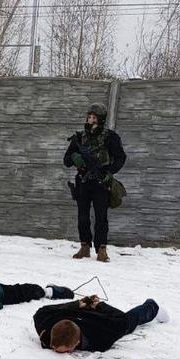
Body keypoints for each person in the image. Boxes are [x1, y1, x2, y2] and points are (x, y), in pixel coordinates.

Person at [64, 103, 126, 262]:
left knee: (101, 216)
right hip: (83, 182)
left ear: (101, 119)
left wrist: (109, 172)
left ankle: (101, 249)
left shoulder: (110, 137)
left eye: (94, 117)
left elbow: (120, 158)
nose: (91, 120)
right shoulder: (79, 137)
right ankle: (85, 246)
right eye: (89, 117)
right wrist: (74, 158)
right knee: (83, 216)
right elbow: (66, 160)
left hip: (101, 182)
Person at [33, 295, 168, 353]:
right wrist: (76, 304)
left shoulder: (100, 339)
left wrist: (99, 306)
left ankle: (153, 307)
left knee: (128, 323)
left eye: (67, 351)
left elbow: (121, 319)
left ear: (76, 342)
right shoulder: (46, 328)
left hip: (98, 318)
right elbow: (41, 312)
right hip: (74, 311)